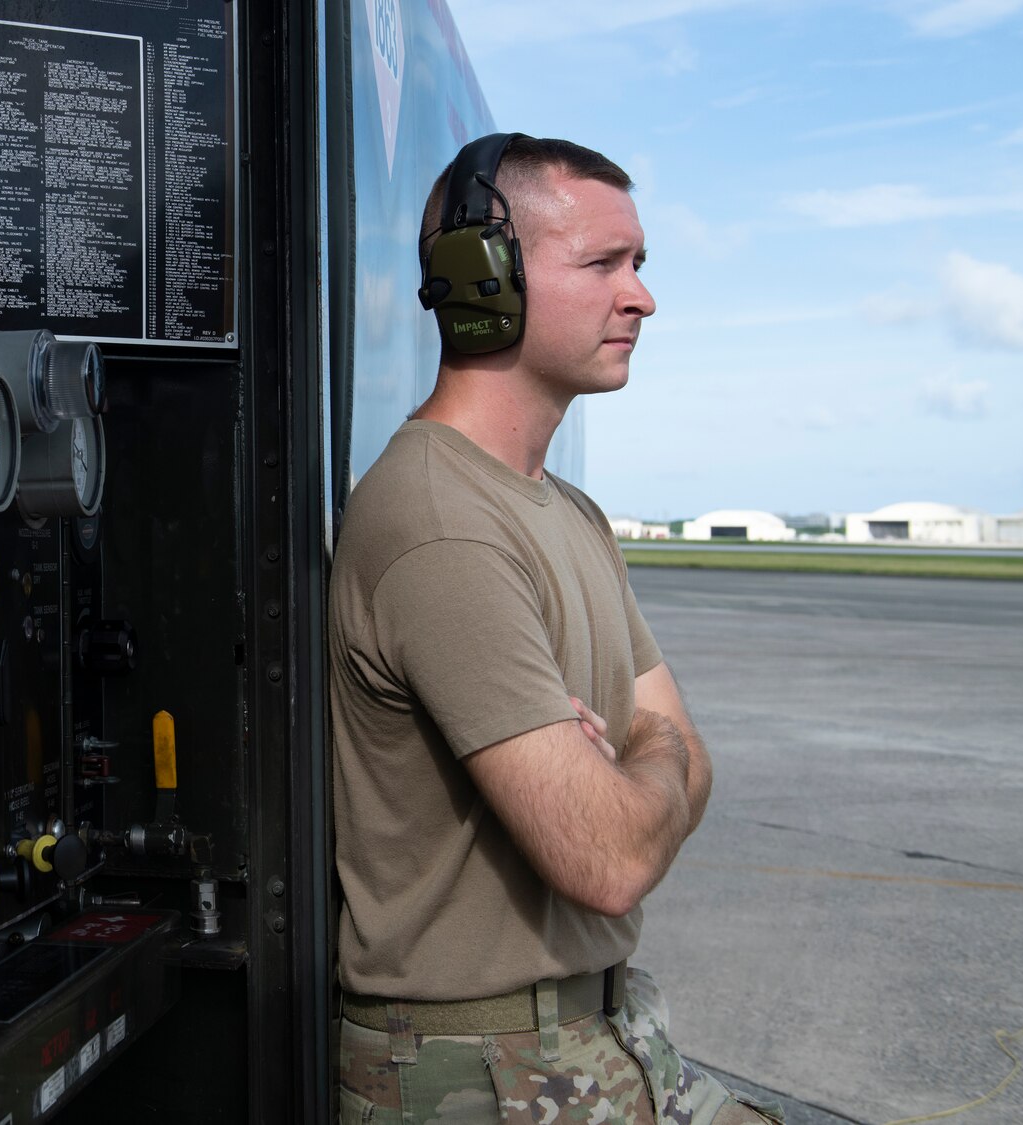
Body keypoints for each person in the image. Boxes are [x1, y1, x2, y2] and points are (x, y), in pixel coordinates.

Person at [329, 135, 779, 1125]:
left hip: (595, 1037)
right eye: (601, 264)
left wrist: (633, 758)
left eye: (639, 264)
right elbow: (607, 860)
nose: (640, 298)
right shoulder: (436, 521)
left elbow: (684, 764)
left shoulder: (567, 514)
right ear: (479, 277)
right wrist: (641, 758)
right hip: (477, 1068)